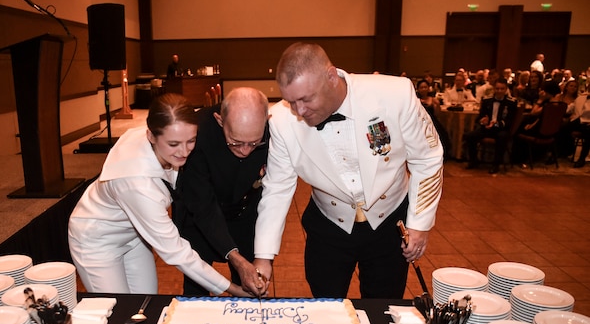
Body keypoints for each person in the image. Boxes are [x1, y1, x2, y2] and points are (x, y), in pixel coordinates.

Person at [253, 42, 444, 300]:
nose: (299, 112)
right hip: (329, 227)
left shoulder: (395, 94)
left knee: (384, 305)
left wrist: (419, 224)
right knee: (326, 305)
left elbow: (427, 158)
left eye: (306, 99)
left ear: (331, 77)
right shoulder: (281, 122)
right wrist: (264, 257)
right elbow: (277, 189)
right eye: (291, 102)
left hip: (388, 223)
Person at [68, 93, 258, 298]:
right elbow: (177, 253)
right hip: (97, 240)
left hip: (135, 236)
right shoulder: (137, 184)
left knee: (145, 304)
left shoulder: (164, 138)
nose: (184, 152)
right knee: (117, 311)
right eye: (174, 144)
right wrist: (233, 288)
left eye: (191, 140)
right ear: (150, 136)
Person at [173, 87, 271, 296]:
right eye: (236, 142)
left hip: (245, 214)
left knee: (249, 284)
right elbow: (202, 203)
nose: (245, 151)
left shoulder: (274, 130)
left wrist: (258, 258)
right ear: (220, 120)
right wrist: (235, 257)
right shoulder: (196, 132)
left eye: (254, 143)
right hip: (199, 217)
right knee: (196, 286)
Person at [464, 78, 518, 174]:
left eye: (502, 89)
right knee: (469, 136)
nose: (499, 91)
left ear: (506, 89)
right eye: (497, 88)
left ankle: (496, 164)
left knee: (502, 137)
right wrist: (483, 121)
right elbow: (480, 117)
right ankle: (474, 160)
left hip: (501, 129)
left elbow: (510, 121)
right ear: (494, 88)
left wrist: (496, 124)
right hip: (487, 129)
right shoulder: (486, 100)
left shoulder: (511, 103)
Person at [416, 79, 451, 160]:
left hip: (432, 121)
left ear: (429, 88)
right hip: (420, 122)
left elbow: (437, 114)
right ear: (418, 89)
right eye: (421, 87)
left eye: (425, 87)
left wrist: (437, 105)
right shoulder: (415, 100)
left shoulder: (433, 99)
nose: (424, 89)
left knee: (441, 135)